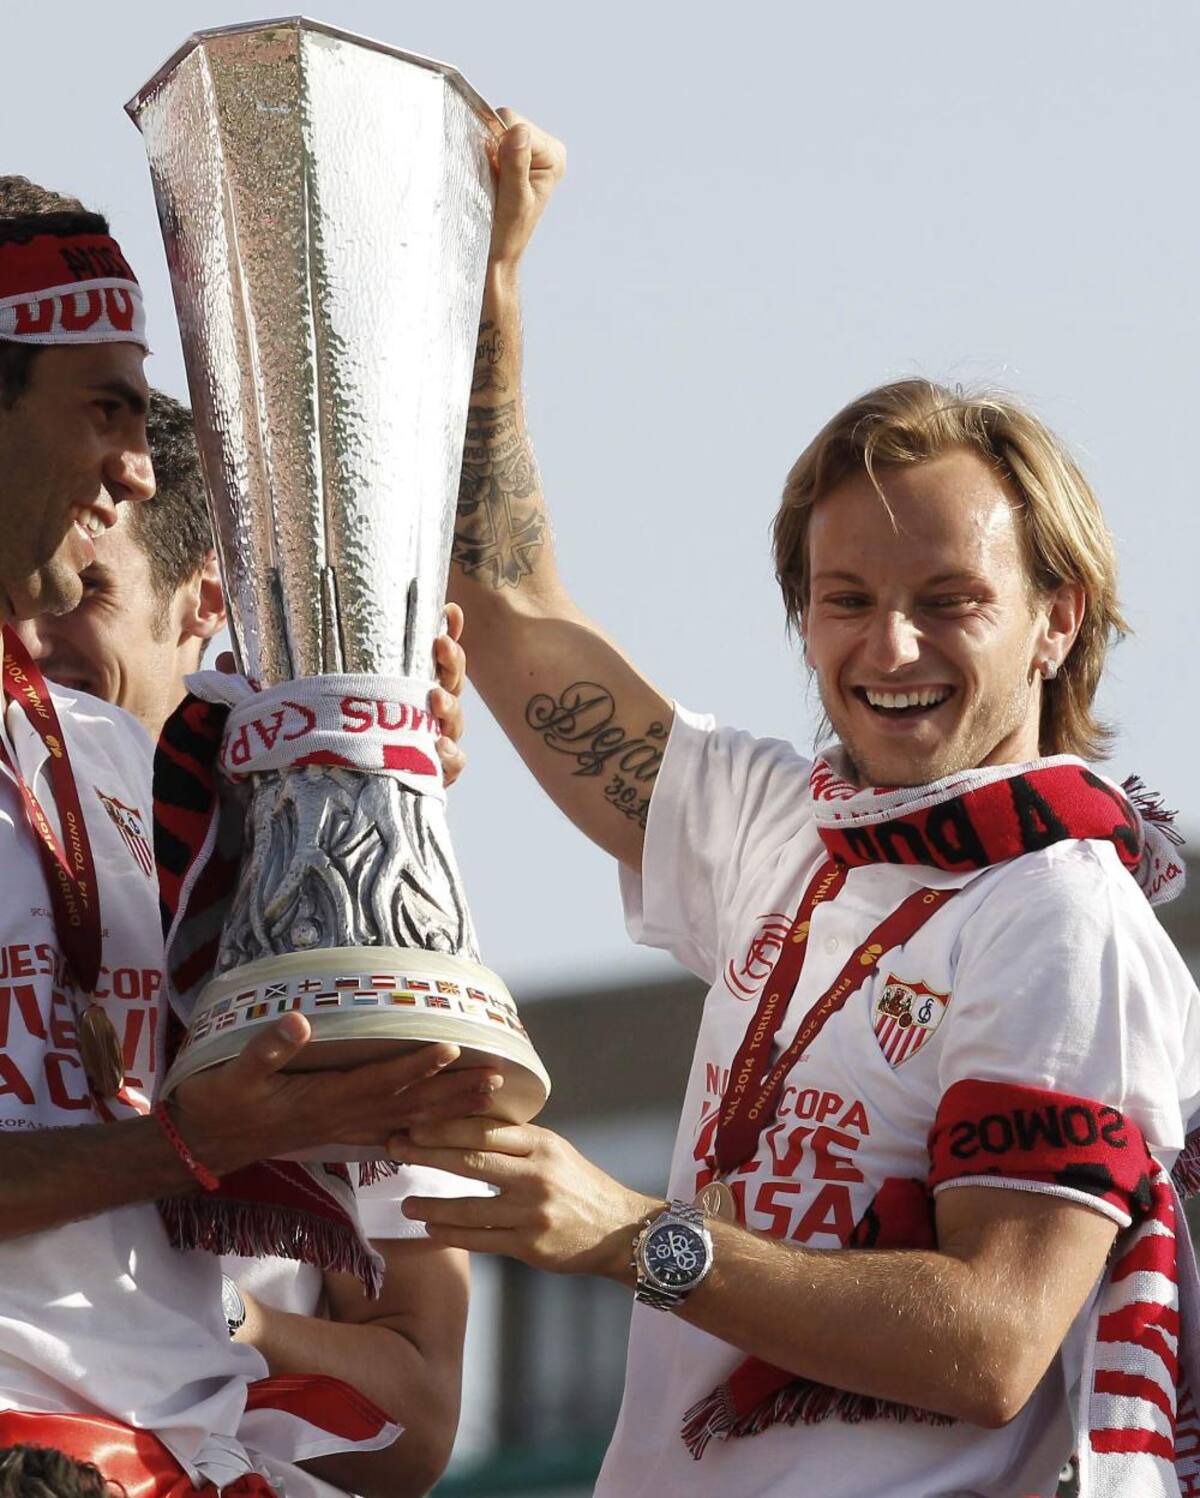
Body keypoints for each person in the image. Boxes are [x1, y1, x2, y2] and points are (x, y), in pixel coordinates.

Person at [391, 119, 1200, 1496]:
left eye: (949, 602)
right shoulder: (792, 827)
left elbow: (995, 1340)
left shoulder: (1061, 915)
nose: (889, 649)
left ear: (1057, 621)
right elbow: (513, 613)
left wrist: (629, 1234)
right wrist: (493, 296)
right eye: (847, 601)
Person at [0, 178, 494, 1496]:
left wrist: (366, 773)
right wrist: (180, 1147)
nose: (134, 466)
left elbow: (424, 1411)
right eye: (102, 408)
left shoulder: (153, 782)